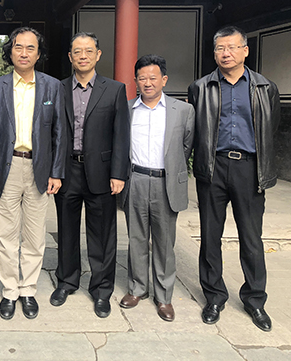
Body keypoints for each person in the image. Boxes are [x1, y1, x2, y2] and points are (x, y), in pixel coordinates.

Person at [188, 26, 280, 332]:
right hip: (212, 168)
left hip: (249, 169)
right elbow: (196, 130)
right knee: (210, 236)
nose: (225, 53)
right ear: (214, 53)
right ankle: (214, 296)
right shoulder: (200, 88)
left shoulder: (265, 88)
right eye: (220, 48)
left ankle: (255, 300)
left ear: (245, 50)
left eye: (231, 47)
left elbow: (270, 128)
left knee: (251, 238)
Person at [0, 27, 67, 320]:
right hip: (7, 167)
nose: (24, 53)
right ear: (10, 51)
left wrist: (56, 172)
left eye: (31, 48)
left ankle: (28, 288)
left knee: (34, 234)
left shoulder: (52, 87)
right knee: (6, 234)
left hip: (39, 167)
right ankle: (9, 290)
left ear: (38, 54)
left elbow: (59, 132)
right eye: (18, 47)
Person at [51, 32, 129, 318]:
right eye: (77, 51)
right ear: (70, 57)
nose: (82, 56)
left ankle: (101, 289)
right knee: (66, 230)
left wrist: (118, 173)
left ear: (98, 55)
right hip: (67, 170)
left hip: (102, 172)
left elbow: (121, 135)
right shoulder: (57, 89)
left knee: (103, 233)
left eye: (88, 51)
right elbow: (51, 131)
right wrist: (53, 170)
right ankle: (66, 281)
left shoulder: (115, 89)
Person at [119, 55, 195, 322]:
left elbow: (186, 146)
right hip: (136, 179)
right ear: (135, 81)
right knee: (136, 238)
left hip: (165, 182)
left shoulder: (182, 110)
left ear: (164, 79)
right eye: (142, 78)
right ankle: (137, 288)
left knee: (164, 242)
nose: (147, 83)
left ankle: (163, 296)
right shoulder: (127, 109)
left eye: (153, 78)